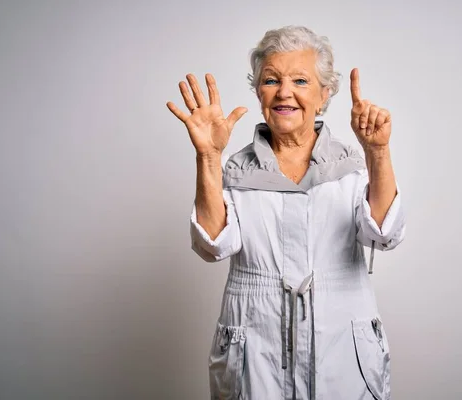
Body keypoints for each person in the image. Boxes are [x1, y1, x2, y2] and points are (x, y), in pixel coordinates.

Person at [166, 25, 405, 400]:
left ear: (325, 95)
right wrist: (209, 156)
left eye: (300, 80)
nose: (284, 92)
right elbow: (212, 246)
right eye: (271, 80)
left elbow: (383, 234)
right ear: (259, 91)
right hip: (255, 349)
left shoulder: (353, 165)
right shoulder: (233, 170)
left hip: (343, 346)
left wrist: (378, 152)